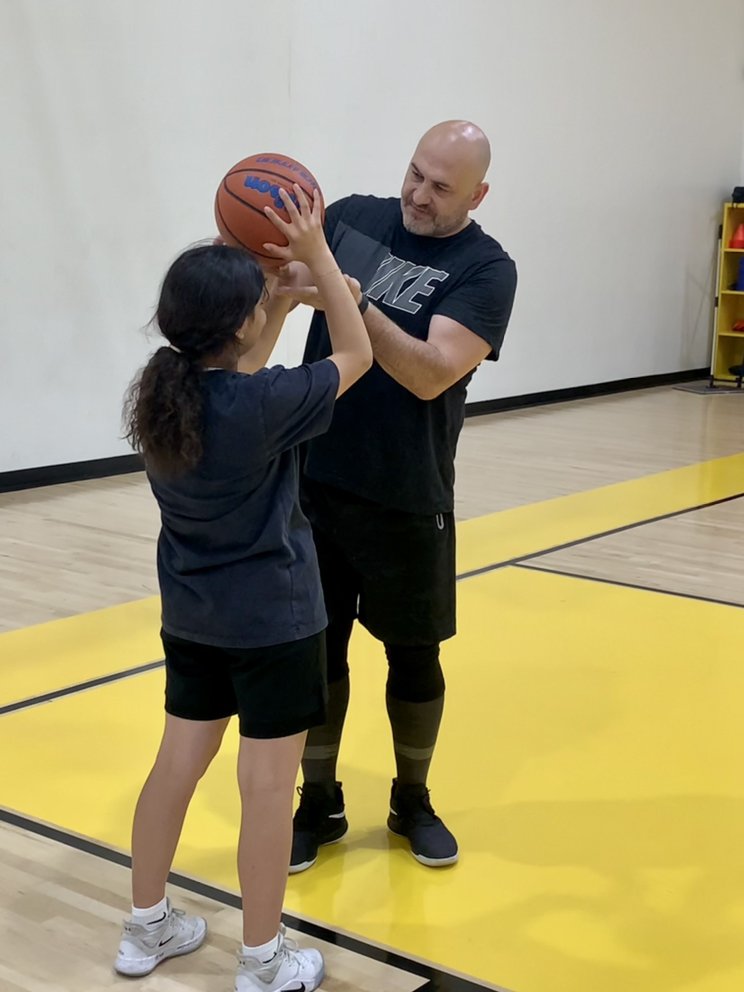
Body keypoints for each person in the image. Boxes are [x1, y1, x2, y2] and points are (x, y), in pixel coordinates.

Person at [115, 185, 372, 991]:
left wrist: (282, 300)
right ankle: (262, 961)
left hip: (194, 619)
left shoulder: (162, 390)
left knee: (174, 768)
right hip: (274, 625)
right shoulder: (261, 406)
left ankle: (146, 927)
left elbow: (239, 366)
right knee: (265, 790)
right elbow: (358, 354)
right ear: (239, 325)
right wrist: (319, 258)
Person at [265, 121, 517, 872]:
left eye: (441, 187)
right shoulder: (348, 220)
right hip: (313, 483)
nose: (418, 194)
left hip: (408, 492)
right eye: (414, 173)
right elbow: (283, 284)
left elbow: (432, 371)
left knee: (414, 657)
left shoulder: (486, 268)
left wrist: (351, 299)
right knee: (317, 652)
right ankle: (319, 801)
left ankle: (412, 799)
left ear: (477, 195)